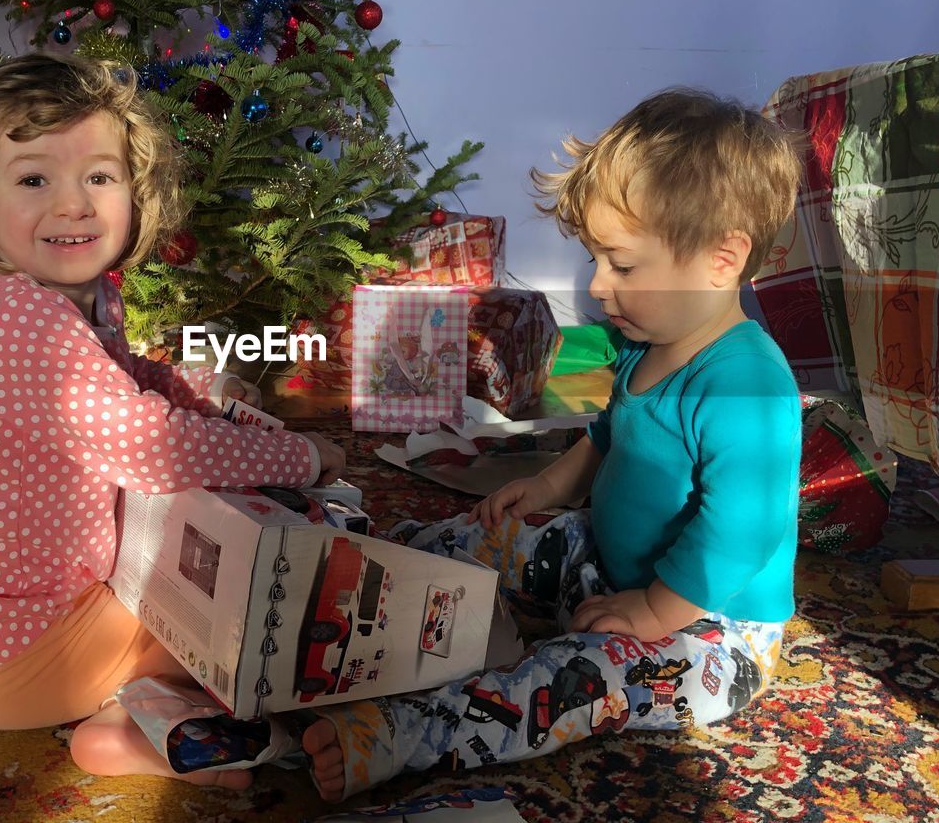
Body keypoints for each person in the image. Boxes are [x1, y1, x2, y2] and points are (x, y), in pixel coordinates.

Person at [301, 87, 805, 800]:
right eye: (598, 259)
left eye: (622, 265)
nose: (598, 285)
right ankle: (374, 559)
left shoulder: (748, 381)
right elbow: (606, 438)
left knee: (575, 680)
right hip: (610, 561)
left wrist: (653, 613)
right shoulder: (649, 340)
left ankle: (403, 735)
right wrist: (545, 489)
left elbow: (741, 535)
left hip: (711, 628)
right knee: (490, 536)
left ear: (722, 260)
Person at [0, 52, 345, 790]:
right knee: (250, 621)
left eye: (99, 178)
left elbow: (132, 382)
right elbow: (153, 447)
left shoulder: (64, 299)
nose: (74, 204)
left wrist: (203, 397)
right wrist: (299, 458)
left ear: (135, 192)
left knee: (194, 581)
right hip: (26, 649)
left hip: (2, 638)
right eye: (35, 179)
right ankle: (171, 731)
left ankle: (136, 722)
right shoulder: (23, 321)